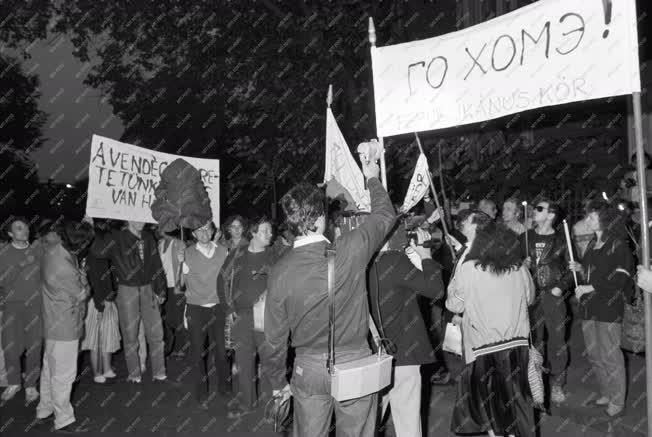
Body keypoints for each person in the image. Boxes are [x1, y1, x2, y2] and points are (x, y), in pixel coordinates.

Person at [263, 157, 395, 437]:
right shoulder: (350, 249)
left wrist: (277, 382)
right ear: (320, 219)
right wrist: (372, 176)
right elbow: (384, 216)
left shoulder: (278, 271)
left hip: (307, 370)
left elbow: (274, 339)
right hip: (354, 361)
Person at [447, 221, 535, 437]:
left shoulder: (469, 269)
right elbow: (530, 298)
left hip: (485, 349)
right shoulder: (519, 267)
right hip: (517, 347)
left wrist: (459, 265)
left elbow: (453, 304)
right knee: (517, 406)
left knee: (491, 409)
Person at [368, 225, 444, 437]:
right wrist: (426, 255)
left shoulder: (360, 263)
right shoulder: (394, 260)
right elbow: (435, 289)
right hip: (404, 353)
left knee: (368, 423)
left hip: (372, 354)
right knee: (408, 424)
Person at [569, 200, 634, 417]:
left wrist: (590, 286)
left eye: (592, 216)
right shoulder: (590, 245)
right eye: (587, 216)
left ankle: (617, 400)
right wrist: (580, 268)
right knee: (595, 354)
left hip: (608, 307)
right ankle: (607, 392)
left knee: (610, 355)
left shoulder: (618, 245)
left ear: (605, 220)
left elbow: (620, 279)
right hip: (589, 307)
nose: (587, 219)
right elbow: (591, 272)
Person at [88, 218, 169, 384]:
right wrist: (90, 227)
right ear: (127, 217)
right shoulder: (116, 237)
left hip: (148, 288)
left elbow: (156, 264)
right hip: (127, 289)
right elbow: (98, 251)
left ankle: (159, 372)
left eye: (142, 217)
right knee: (130, 335)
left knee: (156, 333)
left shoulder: (148, 237)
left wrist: (160, 289)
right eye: (135, 216)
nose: (140, 221)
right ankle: (134, 374)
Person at [218, 216, 275, 418]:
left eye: (270, 230)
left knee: (269, 363)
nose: (270, 234)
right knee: (244, 363)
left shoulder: (274, 255)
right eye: (265, 230)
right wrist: (228, 308)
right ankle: (246, 404)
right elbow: (221, 280)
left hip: (267, 317)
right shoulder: (237, 254)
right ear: (253, 233)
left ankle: (271, 408)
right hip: (241, 317)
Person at [37, 221, 92, 432]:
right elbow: (82, 294)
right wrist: (85, 282)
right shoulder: (65, 266)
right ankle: (63, 419)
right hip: (65, 324)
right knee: (64, 374)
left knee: (49, 368)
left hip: (52, 321)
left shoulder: (52, 251)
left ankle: (44, 408)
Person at [522, 200, 573, 404]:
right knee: (533, 341)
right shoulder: (525, 237)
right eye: (535, 208)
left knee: (557, 342)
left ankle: (557, 383)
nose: (534, 211)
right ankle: (535, 382)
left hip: (553, 297)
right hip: (531, 296)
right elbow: (510, 262)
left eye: (539, 209)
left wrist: (561, 286)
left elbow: (572, 269)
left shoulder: (562, 239)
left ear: (551, 215)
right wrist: (521, 263)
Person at [177, 221, 230, 408]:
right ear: (193, 234)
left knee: (222, 352)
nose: (204, 232)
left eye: (207, 228)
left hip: (218, 307)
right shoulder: (187, 253)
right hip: (196, 308)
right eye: (199, 230)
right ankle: (201, 393)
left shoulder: (224, 251)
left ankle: (224, 387)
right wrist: (180, 263)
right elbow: (180, 286)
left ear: (214, 230)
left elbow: (230, 279)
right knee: (197, 354)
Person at [0, 217, 43, 403]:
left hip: (35, 304)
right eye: (18, 228)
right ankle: (13, 382)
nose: (24, 231)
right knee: (10, 346)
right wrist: (22, 264)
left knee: (34, 346)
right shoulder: (3, 252)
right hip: (12, 305)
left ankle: (31, 385)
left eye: (25, 227)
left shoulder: (38, 248)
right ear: (10, 233)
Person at [81, 250, 120, 384]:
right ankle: (97, 372)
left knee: (108, 335)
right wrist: (99, 306)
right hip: (97, 301)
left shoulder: (104, 255)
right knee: (96, 339)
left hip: (107, 300)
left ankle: (107, 368)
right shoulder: (94, 256)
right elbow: (95, 283)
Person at [157, 228, 187, 359]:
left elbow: (186, 265)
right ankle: (169, 347)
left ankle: (181, 348)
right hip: (163, 287)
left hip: (177, 286)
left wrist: (182, 259)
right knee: (167, 319)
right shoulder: (160, 244)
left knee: (179, 318)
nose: (158, 229)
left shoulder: (179, 244)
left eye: (160, 226)